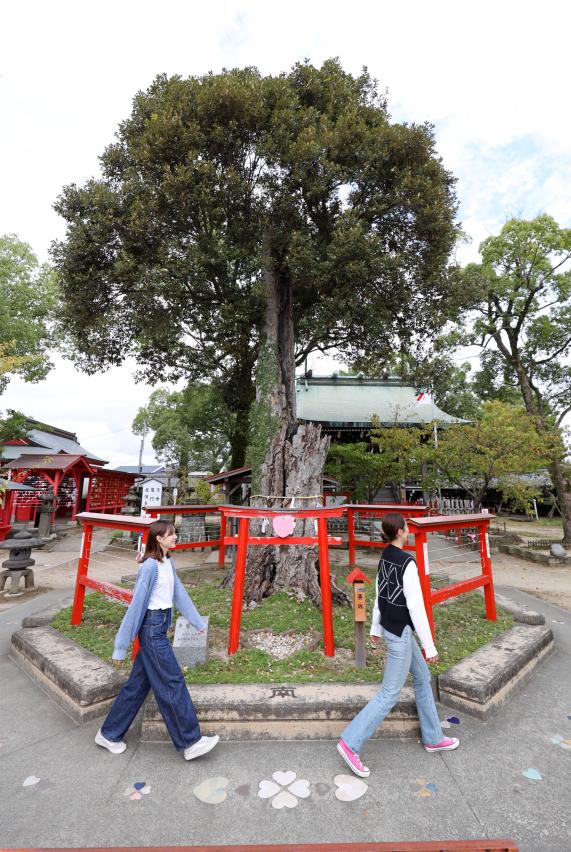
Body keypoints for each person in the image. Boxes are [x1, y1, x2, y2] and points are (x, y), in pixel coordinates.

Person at [337, 512, 459, 778]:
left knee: (422, 677)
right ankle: (350, 742)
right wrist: (430, 646)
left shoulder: (385, 557)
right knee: (389, 693)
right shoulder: (407, 563)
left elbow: (380, 594)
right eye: (406, 527)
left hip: (395, 630)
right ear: (402, 531)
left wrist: (374, 627)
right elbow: (416, 607)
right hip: (401, 634)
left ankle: (433, 737)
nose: (408, 530)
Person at [95, 519, 219, 762]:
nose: (175, 537)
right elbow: (137, 605)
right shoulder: (150, 566)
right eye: (171, 534)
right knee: (172, 681)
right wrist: (121, 646)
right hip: (151, 631)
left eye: (175, 533)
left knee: (137, 686)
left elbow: (179, 593)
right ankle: (190, 742)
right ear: (159, 539)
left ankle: (109, 734)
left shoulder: (167, 562)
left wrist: (197, 622)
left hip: (159, 627)